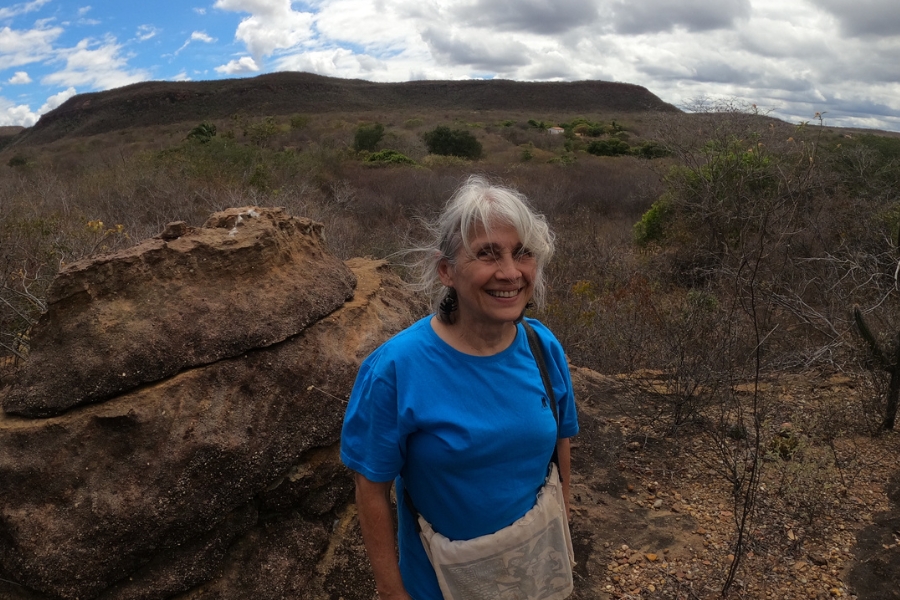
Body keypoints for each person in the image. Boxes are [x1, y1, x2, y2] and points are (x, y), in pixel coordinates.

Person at [340, 175, 579, 600]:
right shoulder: (395, 368)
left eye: (522, 253)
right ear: (446, 270)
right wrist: (393, 593)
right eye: (487, 254)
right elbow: (370, 489)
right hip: (440, 583)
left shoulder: (543, 347)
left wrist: (560, 527)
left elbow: (560, 445)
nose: (509, 272)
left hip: (534, 572)